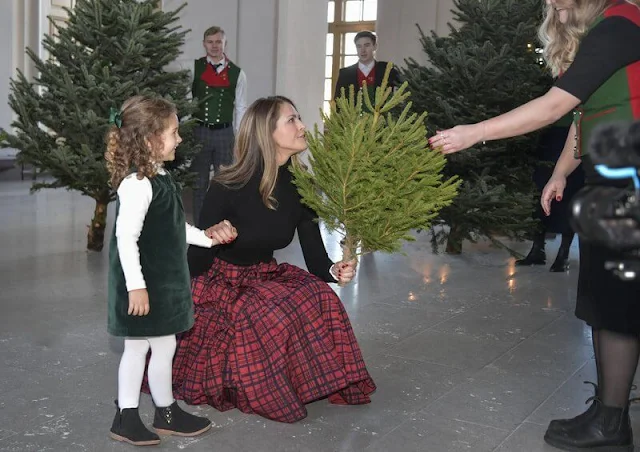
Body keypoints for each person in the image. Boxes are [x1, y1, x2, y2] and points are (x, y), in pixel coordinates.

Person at [429, 0, 640, 450]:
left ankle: (612, 424)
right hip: (613, 181)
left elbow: (553, 108)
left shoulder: (622, 24)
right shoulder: (603, 29)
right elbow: (583, 118)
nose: (552, 4)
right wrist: (562, 171)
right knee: (603, 302)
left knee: (619, 307)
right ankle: (608, 410)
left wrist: (473, 131)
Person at [171, 96, 376, 424]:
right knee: (269, 313)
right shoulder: (227, 185)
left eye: (299, 118)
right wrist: (179, 300)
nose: (302, 126)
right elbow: (197, 255)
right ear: (267, 133)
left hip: (264, 275)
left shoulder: (302, 186)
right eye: (292, 120)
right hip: (222, 279)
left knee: (320, 298)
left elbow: (315, 256)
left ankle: (303, 380)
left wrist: (334, 270)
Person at [105, 95, 216, 446]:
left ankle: (165, 411)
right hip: (143, 285)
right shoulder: (137, 184)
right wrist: (136, 287)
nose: (179, 138)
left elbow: (174, 226)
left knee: (163, 346)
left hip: (160, 284)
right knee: (137, 348)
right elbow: (125, 237)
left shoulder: (160, 176)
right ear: (151, 138)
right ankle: (126, 417)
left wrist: (208, 239)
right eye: (173, 131)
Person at [190, 25, 248, 223]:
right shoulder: (194, 67)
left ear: (225, 44)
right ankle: (200, 226)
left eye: (218, 42)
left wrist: (239, 137)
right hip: (200, 131)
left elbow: (241, 107)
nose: (214, 46)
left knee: (225, 181)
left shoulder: (238, 74)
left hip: (225, 133)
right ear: (204, 44)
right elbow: (185, 100)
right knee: (199, 183)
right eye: (210, 42)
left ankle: (222, 225)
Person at [516, 114, 584, 272]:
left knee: (569, 192)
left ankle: (563, 254)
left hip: (572, 132)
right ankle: (537, 249)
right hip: (546, 132)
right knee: (540, 190)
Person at [333, 31, 401, 102]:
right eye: (359, 46)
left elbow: (400, 94)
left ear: (375, 46)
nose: (363, 50)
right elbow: (338, 101)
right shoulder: (345, 74)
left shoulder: (388, 70)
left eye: (367, 45)